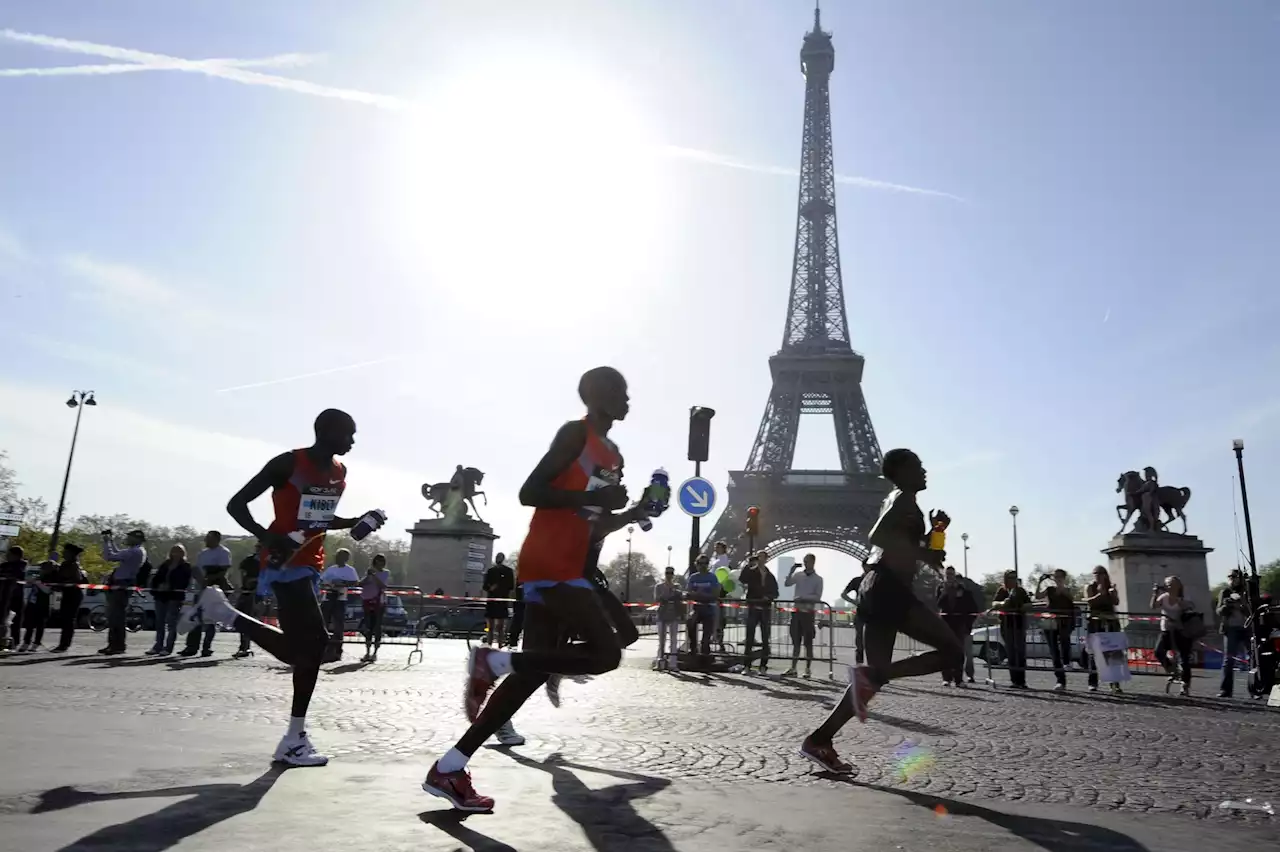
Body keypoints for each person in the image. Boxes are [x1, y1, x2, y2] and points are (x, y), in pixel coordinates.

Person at [422, 366, 649, 812]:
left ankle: (450, 766)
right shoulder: (574, 435)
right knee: (607, 653)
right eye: (621, 391)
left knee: (529, 677)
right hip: (553, 562)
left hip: (573, 563)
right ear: (598, 396)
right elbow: (531, 491)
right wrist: (598, 502)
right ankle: (494, 659)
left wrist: (631, 512)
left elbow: (593, 521)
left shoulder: (614, 455)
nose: (628, 399)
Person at [178, 408, 384, 766]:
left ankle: (224, 613)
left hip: (312, 564)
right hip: (286, 563)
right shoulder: (288, 463)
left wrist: (355, 521)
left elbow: (319, 518)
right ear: (328, 431)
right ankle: (293, 739)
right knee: (316, 643)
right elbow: (236, 504)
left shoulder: (340, 472)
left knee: (300, 653)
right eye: (349, 433)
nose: (352, 440)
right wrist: (266, 536)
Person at [799, 448, 963, 774]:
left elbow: (902, 543)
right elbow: (878, 535)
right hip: (889, 589)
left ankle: (819, 739)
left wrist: (934, 533)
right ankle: (874, 676)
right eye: (918, 465)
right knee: (952, 653)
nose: (924, 470)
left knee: (871, 679)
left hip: (875, 588)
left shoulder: (898, 499)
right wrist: (924, 552)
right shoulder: (902, 498)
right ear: (901, 471)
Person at [179, 531, 233, 658]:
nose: (206, 540)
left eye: (209, 538)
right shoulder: (203, 553)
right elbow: (196, 569)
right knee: (195, 617)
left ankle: (206, 647)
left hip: (216, 588)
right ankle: (191, 647)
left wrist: (210, 579)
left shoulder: (223, 552)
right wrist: (201, 580)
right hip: (201, 587)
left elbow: (223, 570)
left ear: (217, 539)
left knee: (210, 620)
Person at [100, 529, 147, 655]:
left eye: (130, 537)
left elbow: (109, 556)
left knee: (116, 616)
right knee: (114, 615)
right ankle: (113, 644)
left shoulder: (134, 551)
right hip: (122, 582)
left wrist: (106, 543)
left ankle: (117, 645)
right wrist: (111, 541)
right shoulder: (136, 551)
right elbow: (118, 553)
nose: (127, 539)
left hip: (122, 583)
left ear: (137, 539)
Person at [1080, 565, 1123, 694]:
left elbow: (1116, 602)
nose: (1098, 576)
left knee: (1113, 654)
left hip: (1111, 622)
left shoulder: (1111, 586)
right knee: (1094, 654)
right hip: (1095, 622)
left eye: (1101, 573)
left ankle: (1115, 683)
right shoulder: (1090, 587)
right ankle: (1093, 683)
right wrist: (1100, 595)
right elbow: (1089, 602)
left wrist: (1112, 594)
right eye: (1096, 574)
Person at [1034, 568, 1077, 691]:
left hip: (1065, 622)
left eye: (1059, 577)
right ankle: (1060, 679)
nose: (1057, 579)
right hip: (1051, 622)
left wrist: (1062, 589)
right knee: (1054, 651)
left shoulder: (1067, 589)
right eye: (1055, 577)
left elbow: (1071, 598)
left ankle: (1067, 662)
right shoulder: (1050, 589)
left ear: (1064, 578)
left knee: (1065, 641)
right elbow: (1038, 596)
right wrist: (1040, 582)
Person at [1151, 575, 1194, 696]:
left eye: (1171, 584)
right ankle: (1172, 670)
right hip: (1166, 630)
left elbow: (1190, 608)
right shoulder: (1163, 597)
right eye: (1167, 584)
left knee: (1184, 659)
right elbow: (1153, 606)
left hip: (1182, 631)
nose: (1168, 586)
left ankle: (1185, 685)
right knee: (1158, 652)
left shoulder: (1184, 597)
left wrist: (1180, 603)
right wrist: (1155, 593)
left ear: (1178, 585)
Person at [937, 566, 979, 687]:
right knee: (945, 652)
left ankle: (958, 679)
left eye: (951, 574)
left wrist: (967, 624)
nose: (949, 577)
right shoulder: (940, 588)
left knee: (958, 652)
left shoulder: (962, 590)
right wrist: (944, 592)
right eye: (947, 574)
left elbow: (972, 609)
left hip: (959, 625)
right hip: (945, 624)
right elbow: (939, 604)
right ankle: (946, 678)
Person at [784, 554, 823, 678]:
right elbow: (787, 583)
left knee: (808, 643)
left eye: (808, 561)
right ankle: (793, 668)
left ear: (814, 562)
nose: (806, 563)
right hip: (797, 612)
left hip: (808, 613)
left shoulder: (818, 579)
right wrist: (791, 571)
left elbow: (818, 597)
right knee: (796, 642)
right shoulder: (799, 575)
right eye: (805, 561)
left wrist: (803, 598)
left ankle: (807, 669)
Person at [148, 544, 191, 655]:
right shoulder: (165, 564)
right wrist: (157, 587)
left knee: (171, 623)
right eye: (174, 551)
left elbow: (184, 582)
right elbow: (156, 578)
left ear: (183, 553)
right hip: (161, 595)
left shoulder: (185, 566)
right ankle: (158, 645)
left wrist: (171, 586)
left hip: (174, 597)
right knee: (159, 622)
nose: (176, 554)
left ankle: (168, 647)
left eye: (179, 552)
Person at [739, 552, 778, 674]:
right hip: (754, 607)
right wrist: (748, 564)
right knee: (749, 638)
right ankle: (747, 666)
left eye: (762, 557)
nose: (760, 559)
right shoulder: (751, 571)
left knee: (766, 639)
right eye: (758, 557)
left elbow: (776, 593)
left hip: (764, 609)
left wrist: (769, 597)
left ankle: (763, 666)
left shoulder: (770, 576)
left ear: (766, 559)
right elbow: (742, 579)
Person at [991, 571, 1030, 688]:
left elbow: (1029, 604)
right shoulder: (1002, 591)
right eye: (1010, 578)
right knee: (1011, 653)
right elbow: (995, 603)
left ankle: (1021, 681)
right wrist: (1003, 603)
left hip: (1019, 624)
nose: (1013, 580)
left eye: (1014, 578)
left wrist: (1023, 607)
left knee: (1020, 652)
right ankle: (1014, 680)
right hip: (1007, 625)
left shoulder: (1020, 591)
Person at [1217, 568, 1251, 699]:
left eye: (1234, 577)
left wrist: (1241, 604)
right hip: (1231, 628)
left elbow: (1252, 610)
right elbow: (1219, 611)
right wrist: (1227, 605)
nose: (1232, 580)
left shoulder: (1247, 591)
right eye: (1230, 577)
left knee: (1253, 659)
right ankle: (1226, 690)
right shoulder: (1225, 592)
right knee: (1228, 660)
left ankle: (1255, 690)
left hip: (1247, 627)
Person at [50, 543, 87, 652]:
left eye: (65, 552)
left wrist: (62, 582)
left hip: (74, 594)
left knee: (68, 619)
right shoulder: (65, 564)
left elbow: (75, 579)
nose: (63, 553)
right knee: (65, 618)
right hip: (67, 593)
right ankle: (63, 643)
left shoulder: (73, 565)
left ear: (71, 554)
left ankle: (64, 644)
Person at [684, 554, 720, 657]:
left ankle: (705, 650)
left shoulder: (712, 577)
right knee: (690, 622)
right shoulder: (693, 577)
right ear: (696, 564)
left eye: (705, 563)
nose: (702, 566)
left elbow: (715, 594)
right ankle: (693, 646)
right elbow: (689, 592)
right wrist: (703, 595)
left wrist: (699, 594)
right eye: (700, 563)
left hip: (709, 609)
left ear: (708, 565)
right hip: (697, 608)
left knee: (706, 634)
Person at [17, 559, 56, 652]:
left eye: (43, 568)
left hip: (43, 604)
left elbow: (48, 590)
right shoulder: (39, 576)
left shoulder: (51, 578)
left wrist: (38, 583)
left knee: (40, 625)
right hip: (32, 602)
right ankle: (26, 642)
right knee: (29, 624)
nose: (41, 569)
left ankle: (36, 643)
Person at [232, 544, 262, 659]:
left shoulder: (268, 561)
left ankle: (246, 646)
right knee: (242, 619)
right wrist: (240, 585)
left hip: (259, 594)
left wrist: (256, 581)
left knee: (252, 620)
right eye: (258, 547)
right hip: (246, 592)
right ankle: (244, 646)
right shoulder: (249, 560)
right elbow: (240, 573)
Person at [359, 554, 389, 662]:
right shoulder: (370, 572)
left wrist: (375, 576)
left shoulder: (385, 573)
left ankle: (375, 652)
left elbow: (382, 585)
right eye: (378, 561)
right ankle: (367, 651)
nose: (380, 564)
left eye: (382, 561)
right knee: (368, 627)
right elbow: (361, 583)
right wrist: (368, 576)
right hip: (367, 601)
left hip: (379, 602)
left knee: (377, 627)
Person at [654, 565, 684, 671]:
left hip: (674, 614)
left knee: (673, 640)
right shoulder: (659, 586)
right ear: (664, 574)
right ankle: (660, 662)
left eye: (671, 573)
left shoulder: (677, 586)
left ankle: (673, 664)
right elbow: (657, 599)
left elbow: (680, 598)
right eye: (667, 573)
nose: (669, 575)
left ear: (673, 575)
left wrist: (675, 593)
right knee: (661, 640)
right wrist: (667, 594)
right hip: (662, 614)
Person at [483, 553, 515, 647]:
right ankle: (493, 645)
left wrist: (494, 588)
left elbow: (510, 586)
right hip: (497, 600)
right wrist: (491, 588)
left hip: (498, 600)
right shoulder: (492, 571)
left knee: (496, 626)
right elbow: (485, 586)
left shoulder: (504, 571)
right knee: (494, 626)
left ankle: (496, 645)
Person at [841, 574, 865, 665]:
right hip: (862, 613)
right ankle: (860, 664)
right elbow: (843, 594)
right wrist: (854, 602)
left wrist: (854, 602)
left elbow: (843, 595)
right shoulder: (857, 580)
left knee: (861, 639)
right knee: (860, 640)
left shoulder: (858, 580)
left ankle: (862, 665)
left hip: (869, 614)